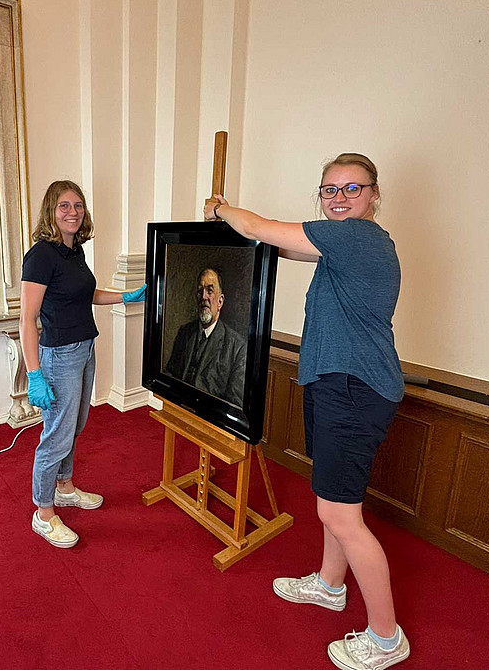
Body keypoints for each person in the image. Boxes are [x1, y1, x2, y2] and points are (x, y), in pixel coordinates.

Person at [204, 153, 409, 670]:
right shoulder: (339, 247)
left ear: (374, 195)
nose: (339, 198)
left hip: (355, 390)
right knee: (332, 500)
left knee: (339, 513)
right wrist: (242, 227)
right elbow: (278, 245)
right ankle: (329, 585)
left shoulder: (357, 238)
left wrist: (222, 208)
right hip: (333, 382)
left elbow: (256, 226)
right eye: (330, 190)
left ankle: (387, 639)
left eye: (352, 189)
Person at [20, 180, 145, 549]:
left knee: (74, 426)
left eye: (78, 205)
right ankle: (43, 512)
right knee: (55, 435)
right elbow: (27, 318)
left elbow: (84, 294)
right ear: (50, 211)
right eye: (64, 206)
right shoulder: (41, 255)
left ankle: (65, 487)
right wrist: (34, 373)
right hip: (58, 355)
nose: (72, 212)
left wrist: (124, 295)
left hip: (84, 348)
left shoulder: (73, 251)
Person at [164, 267, 247, 407]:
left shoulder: (237, 347)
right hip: (179, 406)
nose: (203, 297)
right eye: (200, 291)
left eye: (209, 290)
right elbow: (170, 373)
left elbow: (234, 402)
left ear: (220, 301)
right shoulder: (185, 332)